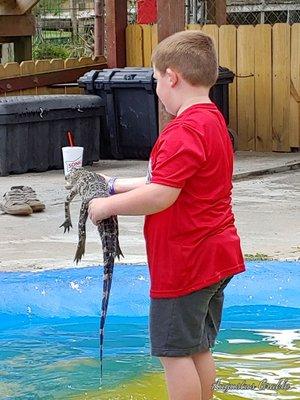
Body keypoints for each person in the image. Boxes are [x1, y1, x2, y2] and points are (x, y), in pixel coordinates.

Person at [88, 30, 246, 400]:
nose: (156, 87)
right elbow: (167, 180)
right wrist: (113, 185)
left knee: (173, 355)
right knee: (197, 348)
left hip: (186, 262)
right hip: (216, 256)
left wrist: (104, 206)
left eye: (155, 79)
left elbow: (161, 194)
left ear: (171, 76)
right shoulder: (212, 123)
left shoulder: (183, 131)